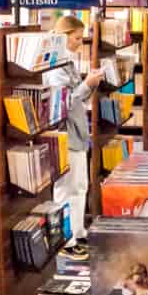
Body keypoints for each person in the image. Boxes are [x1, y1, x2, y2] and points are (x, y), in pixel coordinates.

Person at [46, 14, 102, 244]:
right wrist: (85, 85)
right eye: (77, 39)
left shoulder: (67, 63)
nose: (81, 43)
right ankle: (65, 238)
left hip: (78, 132)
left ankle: (78, 232)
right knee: (66, 188)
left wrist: (91, 85)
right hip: (65, 134)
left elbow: (78, 97)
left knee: (80, 185)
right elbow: (62, 104)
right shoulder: (55, 68)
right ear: (63, 38)